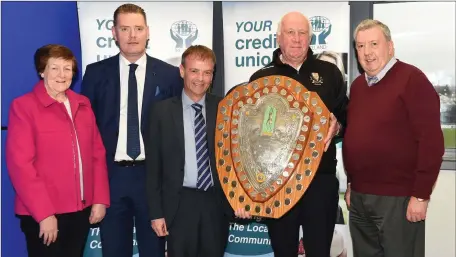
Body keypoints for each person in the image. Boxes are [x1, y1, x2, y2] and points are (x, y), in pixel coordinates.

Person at [235, 11, 349, 257]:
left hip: (320, 180)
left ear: (310, 38)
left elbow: (348, 117)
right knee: (283, 251)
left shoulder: (330, 73)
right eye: (290, 33)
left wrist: (338, 126)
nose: (297, 39)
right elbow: (249, 137)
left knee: (319, 251)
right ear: (278, 38)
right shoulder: (261, 78)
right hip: (277, 183)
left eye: (302, 33)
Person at [81, 3, 182, 257]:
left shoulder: (170, 75)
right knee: (114, 250)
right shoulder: (95, 74)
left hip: (152, 179)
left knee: (154, 251)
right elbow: (86, 132)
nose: (132, 35)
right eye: (125, 29)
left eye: (138, 28)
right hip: (111, 178)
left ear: (148, 31)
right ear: (114, 32)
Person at [343, 19, 444, 257]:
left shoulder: (412, 79)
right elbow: (355, 138)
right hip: (359, 198)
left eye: (374, 44)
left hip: (398, 199)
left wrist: (421, 195)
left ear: (390, 46)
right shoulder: (358, 87)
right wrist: (351, 185)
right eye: (360, 46)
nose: (367, 53)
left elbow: (431, 142)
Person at [6, 44, 110, 257]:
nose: (62, 75)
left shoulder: (83, 105)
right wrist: (44, 214)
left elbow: (97, 155)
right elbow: (21, 166)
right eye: (54, 68)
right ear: (42, 71)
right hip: (43, 215)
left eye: (67, 68)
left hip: (80, 212)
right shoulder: (24, 107)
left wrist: (99, 199)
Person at [146, 45, 232, 257]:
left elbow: (236, 159)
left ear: (213, 75)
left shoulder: (225, 109)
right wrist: (156, 213)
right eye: (194, 71)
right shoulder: (161, 112)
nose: (200, 78)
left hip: (216, 204)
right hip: (178, 205)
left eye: (207, 72)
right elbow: (153, 168)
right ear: (182, 71)